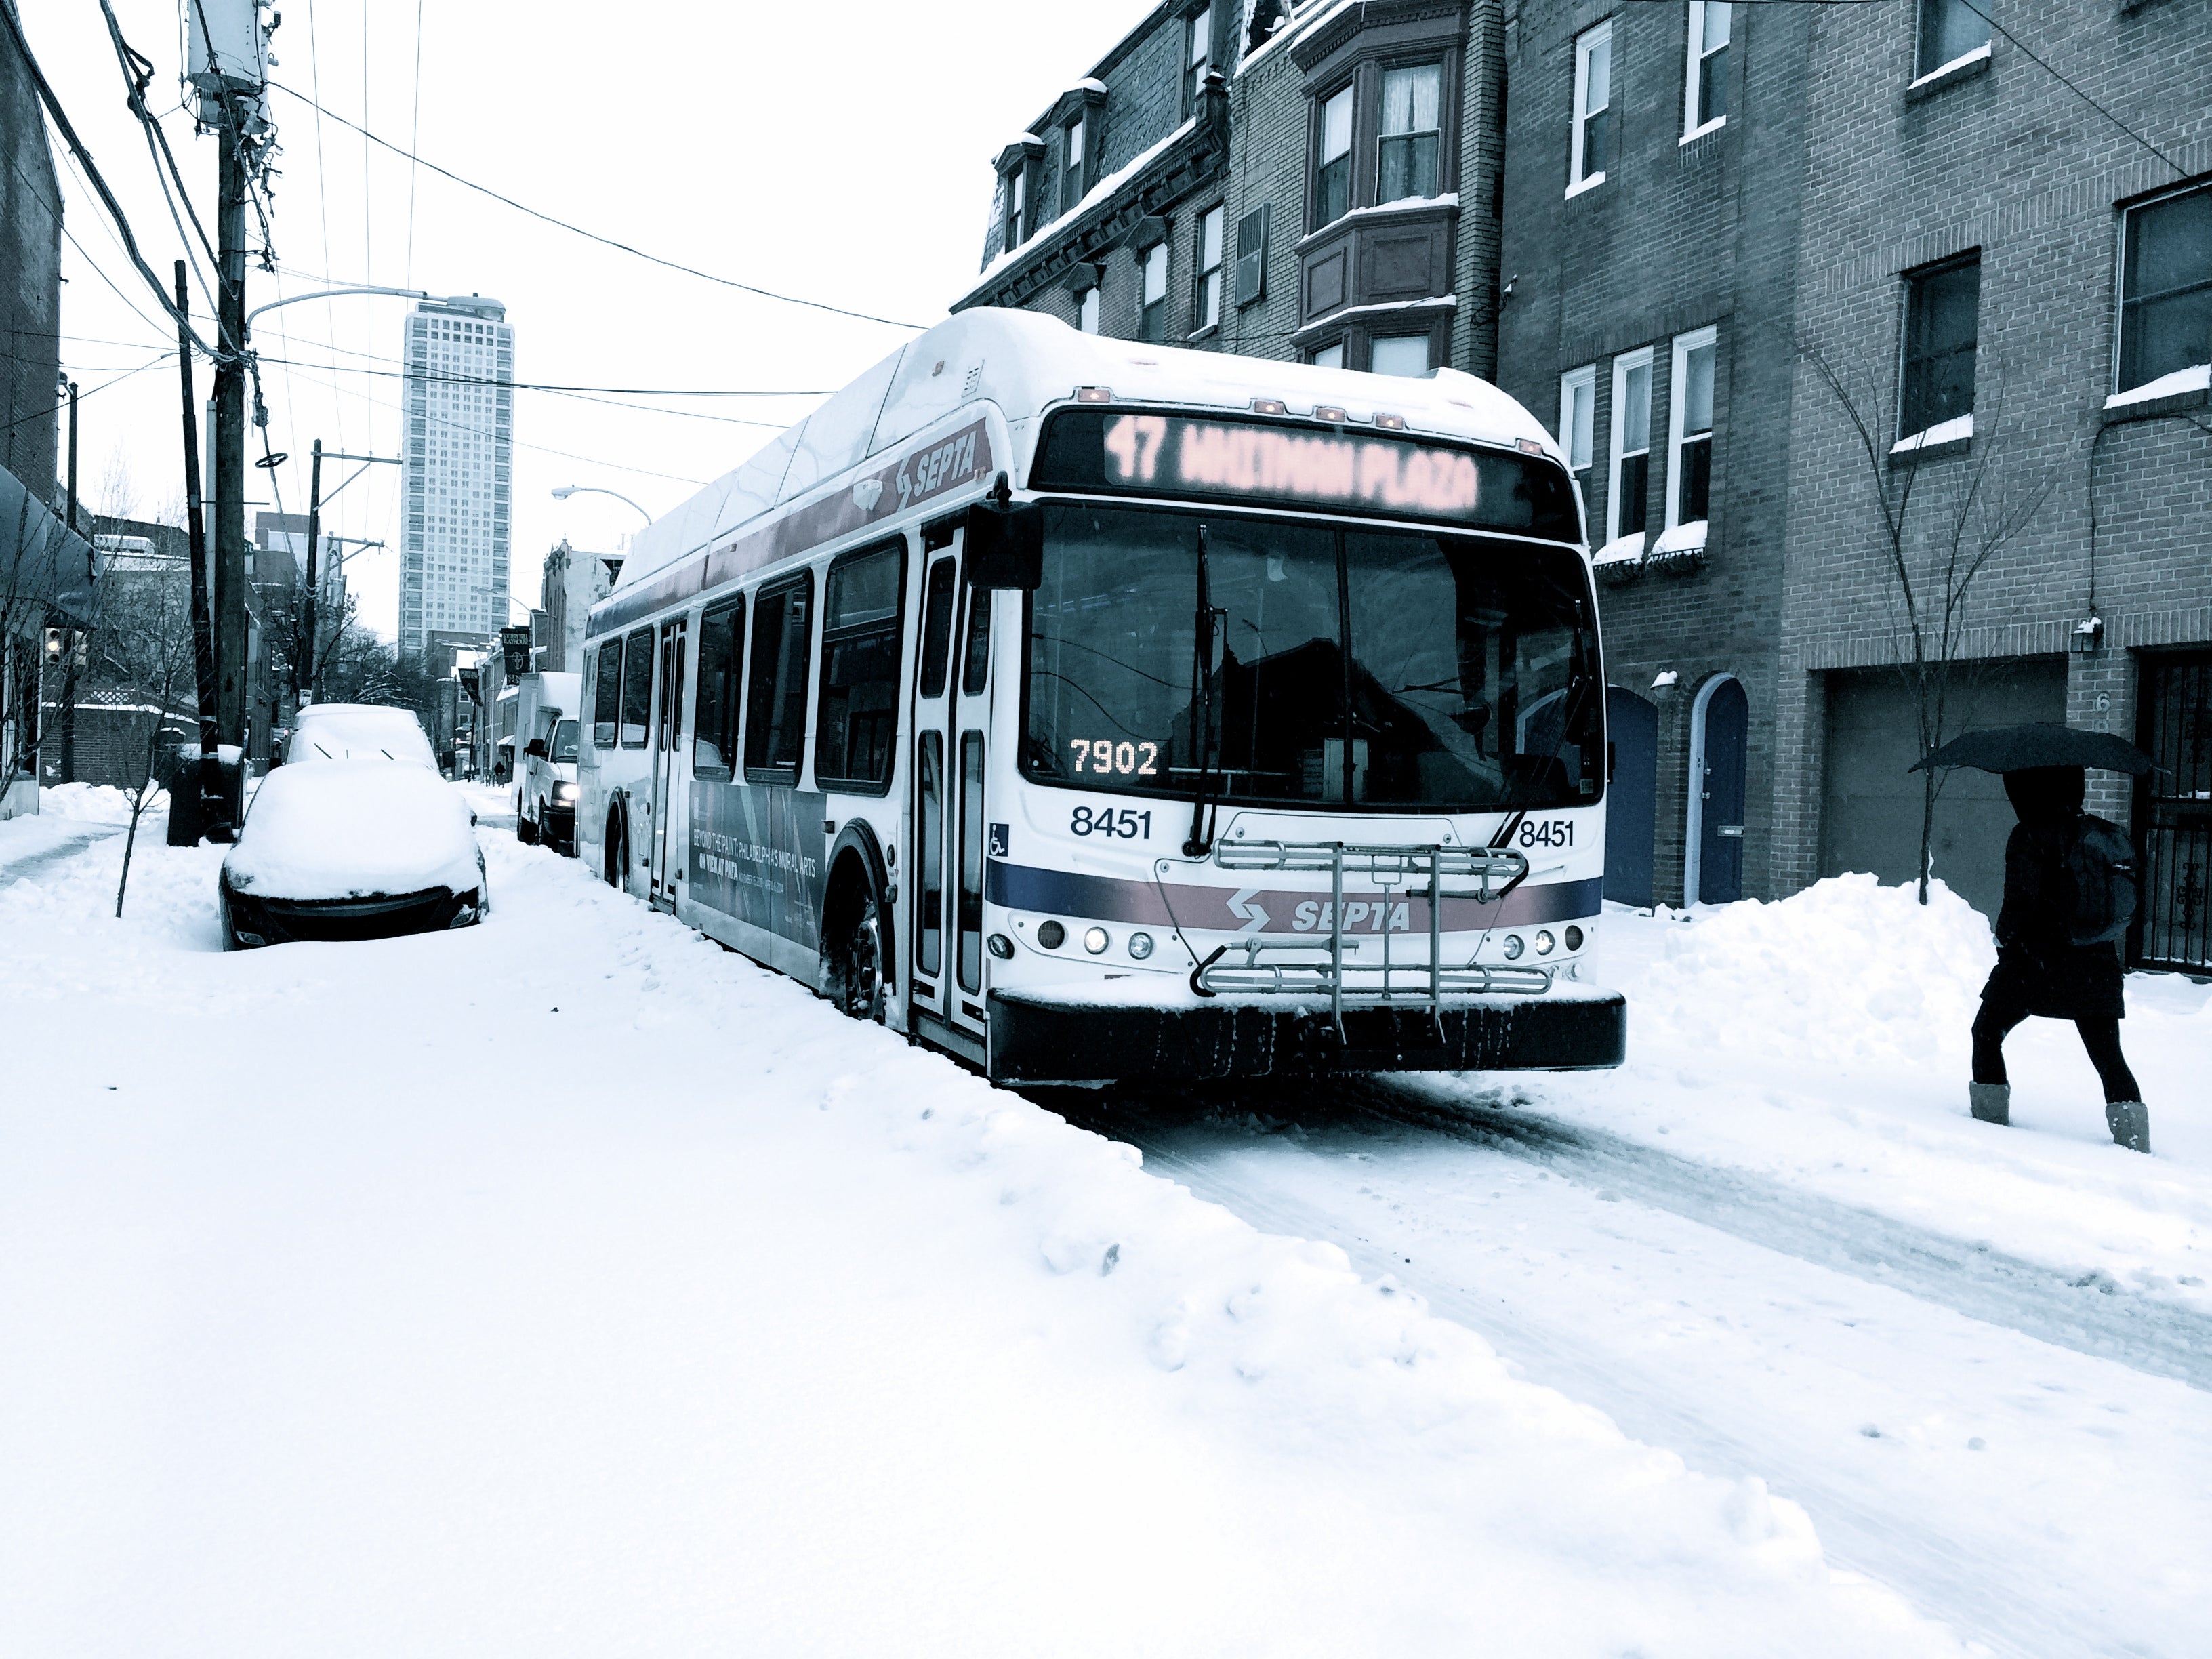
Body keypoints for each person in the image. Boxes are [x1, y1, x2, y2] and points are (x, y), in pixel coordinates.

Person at [1969, 765, 2150, 1152]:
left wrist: (2004, 938)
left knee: (1986, 1033)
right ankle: (2134, 1141)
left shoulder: (2028, 834)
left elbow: (2021, 900)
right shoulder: (2101, 833)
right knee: (2107, 1056)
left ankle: (1986, 1130)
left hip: (2035, 961)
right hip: (2094, 963)